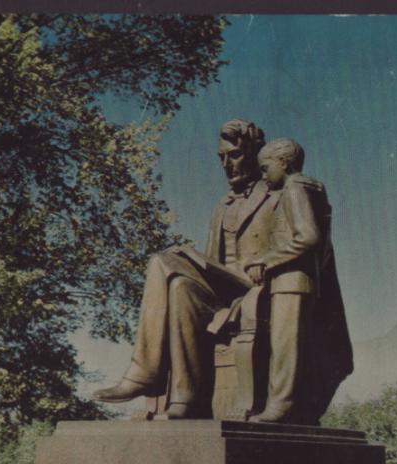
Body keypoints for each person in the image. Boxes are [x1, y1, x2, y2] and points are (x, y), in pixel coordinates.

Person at [93, 119, 278, 418]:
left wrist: (266, 264)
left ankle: (142, 373)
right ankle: (186, 398)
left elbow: (304, 245)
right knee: (178, 285)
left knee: (163, 262)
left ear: (256, 154)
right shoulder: (223, 206)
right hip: (224, 288)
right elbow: (214, 260)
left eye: (235, 156)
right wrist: (196, 260)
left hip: (257, 289)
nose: (227, 165)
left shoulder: (277, 196)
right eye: (221, 158)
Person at [242, 137, 353, 423]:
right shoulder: (308, 187)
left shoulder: (294, 187)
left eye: (265, 169)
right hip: (296, 281)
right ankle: (285, 405)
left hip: (292, 282)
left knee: (285, 347)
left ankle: (280, 406)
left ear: (284, 162)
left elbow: (308, 236)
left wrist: (265, 260)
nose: (263, 177)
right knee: (289, 346)